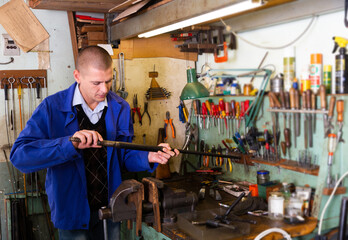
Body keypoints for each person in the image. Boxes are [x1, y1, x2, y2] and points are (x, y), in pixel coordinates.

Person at [10, 46, 179, 240]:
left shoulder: (120, 107)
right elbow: (20, 156)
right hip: (72, 213)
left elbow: (122, 156)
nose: (104, 89)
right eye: (96, 83)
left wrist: (149, 156)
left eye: (108, 81)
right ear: (77, 76)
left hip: (111, 209)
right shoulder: (52, 108)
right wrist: (69, 144)